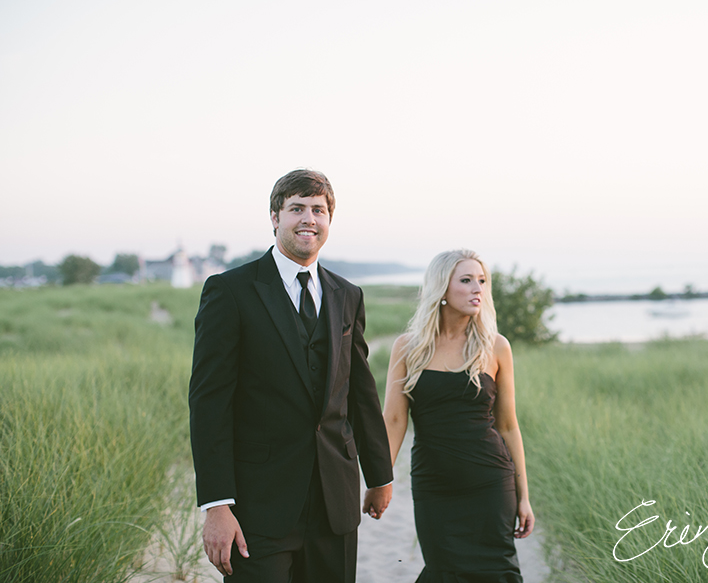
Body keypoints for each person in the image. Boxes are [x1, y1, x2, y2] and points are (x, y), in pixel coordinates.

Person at [188, 169, 393, 582]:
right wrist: (216, 504)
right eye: (296, 208)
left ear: (329, 220)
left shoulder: (347, 295)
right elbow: (209, 402)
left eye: (318, 210)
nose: (308, 219)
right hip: (258, 505)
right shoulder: (230, 291)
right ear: (274, 216)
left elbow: (360, 392)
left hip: (334, 500)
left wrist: (380, 475)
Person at [382, 249, 535, 582]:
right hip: (434, 485)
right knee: (443, 571)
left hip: (490, 483)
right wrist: (382, 478)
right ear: (442, 289)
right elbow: (393, 421)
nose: (477, 288)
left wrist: (524, 497)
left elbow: (508, 425)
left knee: (496, 572)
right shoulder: (408, 347)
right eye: (466, 280)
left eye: (482, 281)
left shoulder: (496, 347)